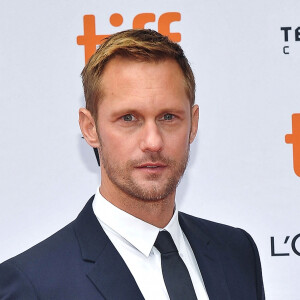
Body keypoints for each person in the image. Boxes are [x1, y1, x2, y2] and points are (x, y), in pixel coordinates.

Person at [0, 29, 265, 300]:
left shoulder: (236, 252)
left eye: (168, 117)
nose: (153, 142)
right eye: (128, 118)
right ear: (90, 128)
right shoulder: (32, 284)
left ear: (193, 124)